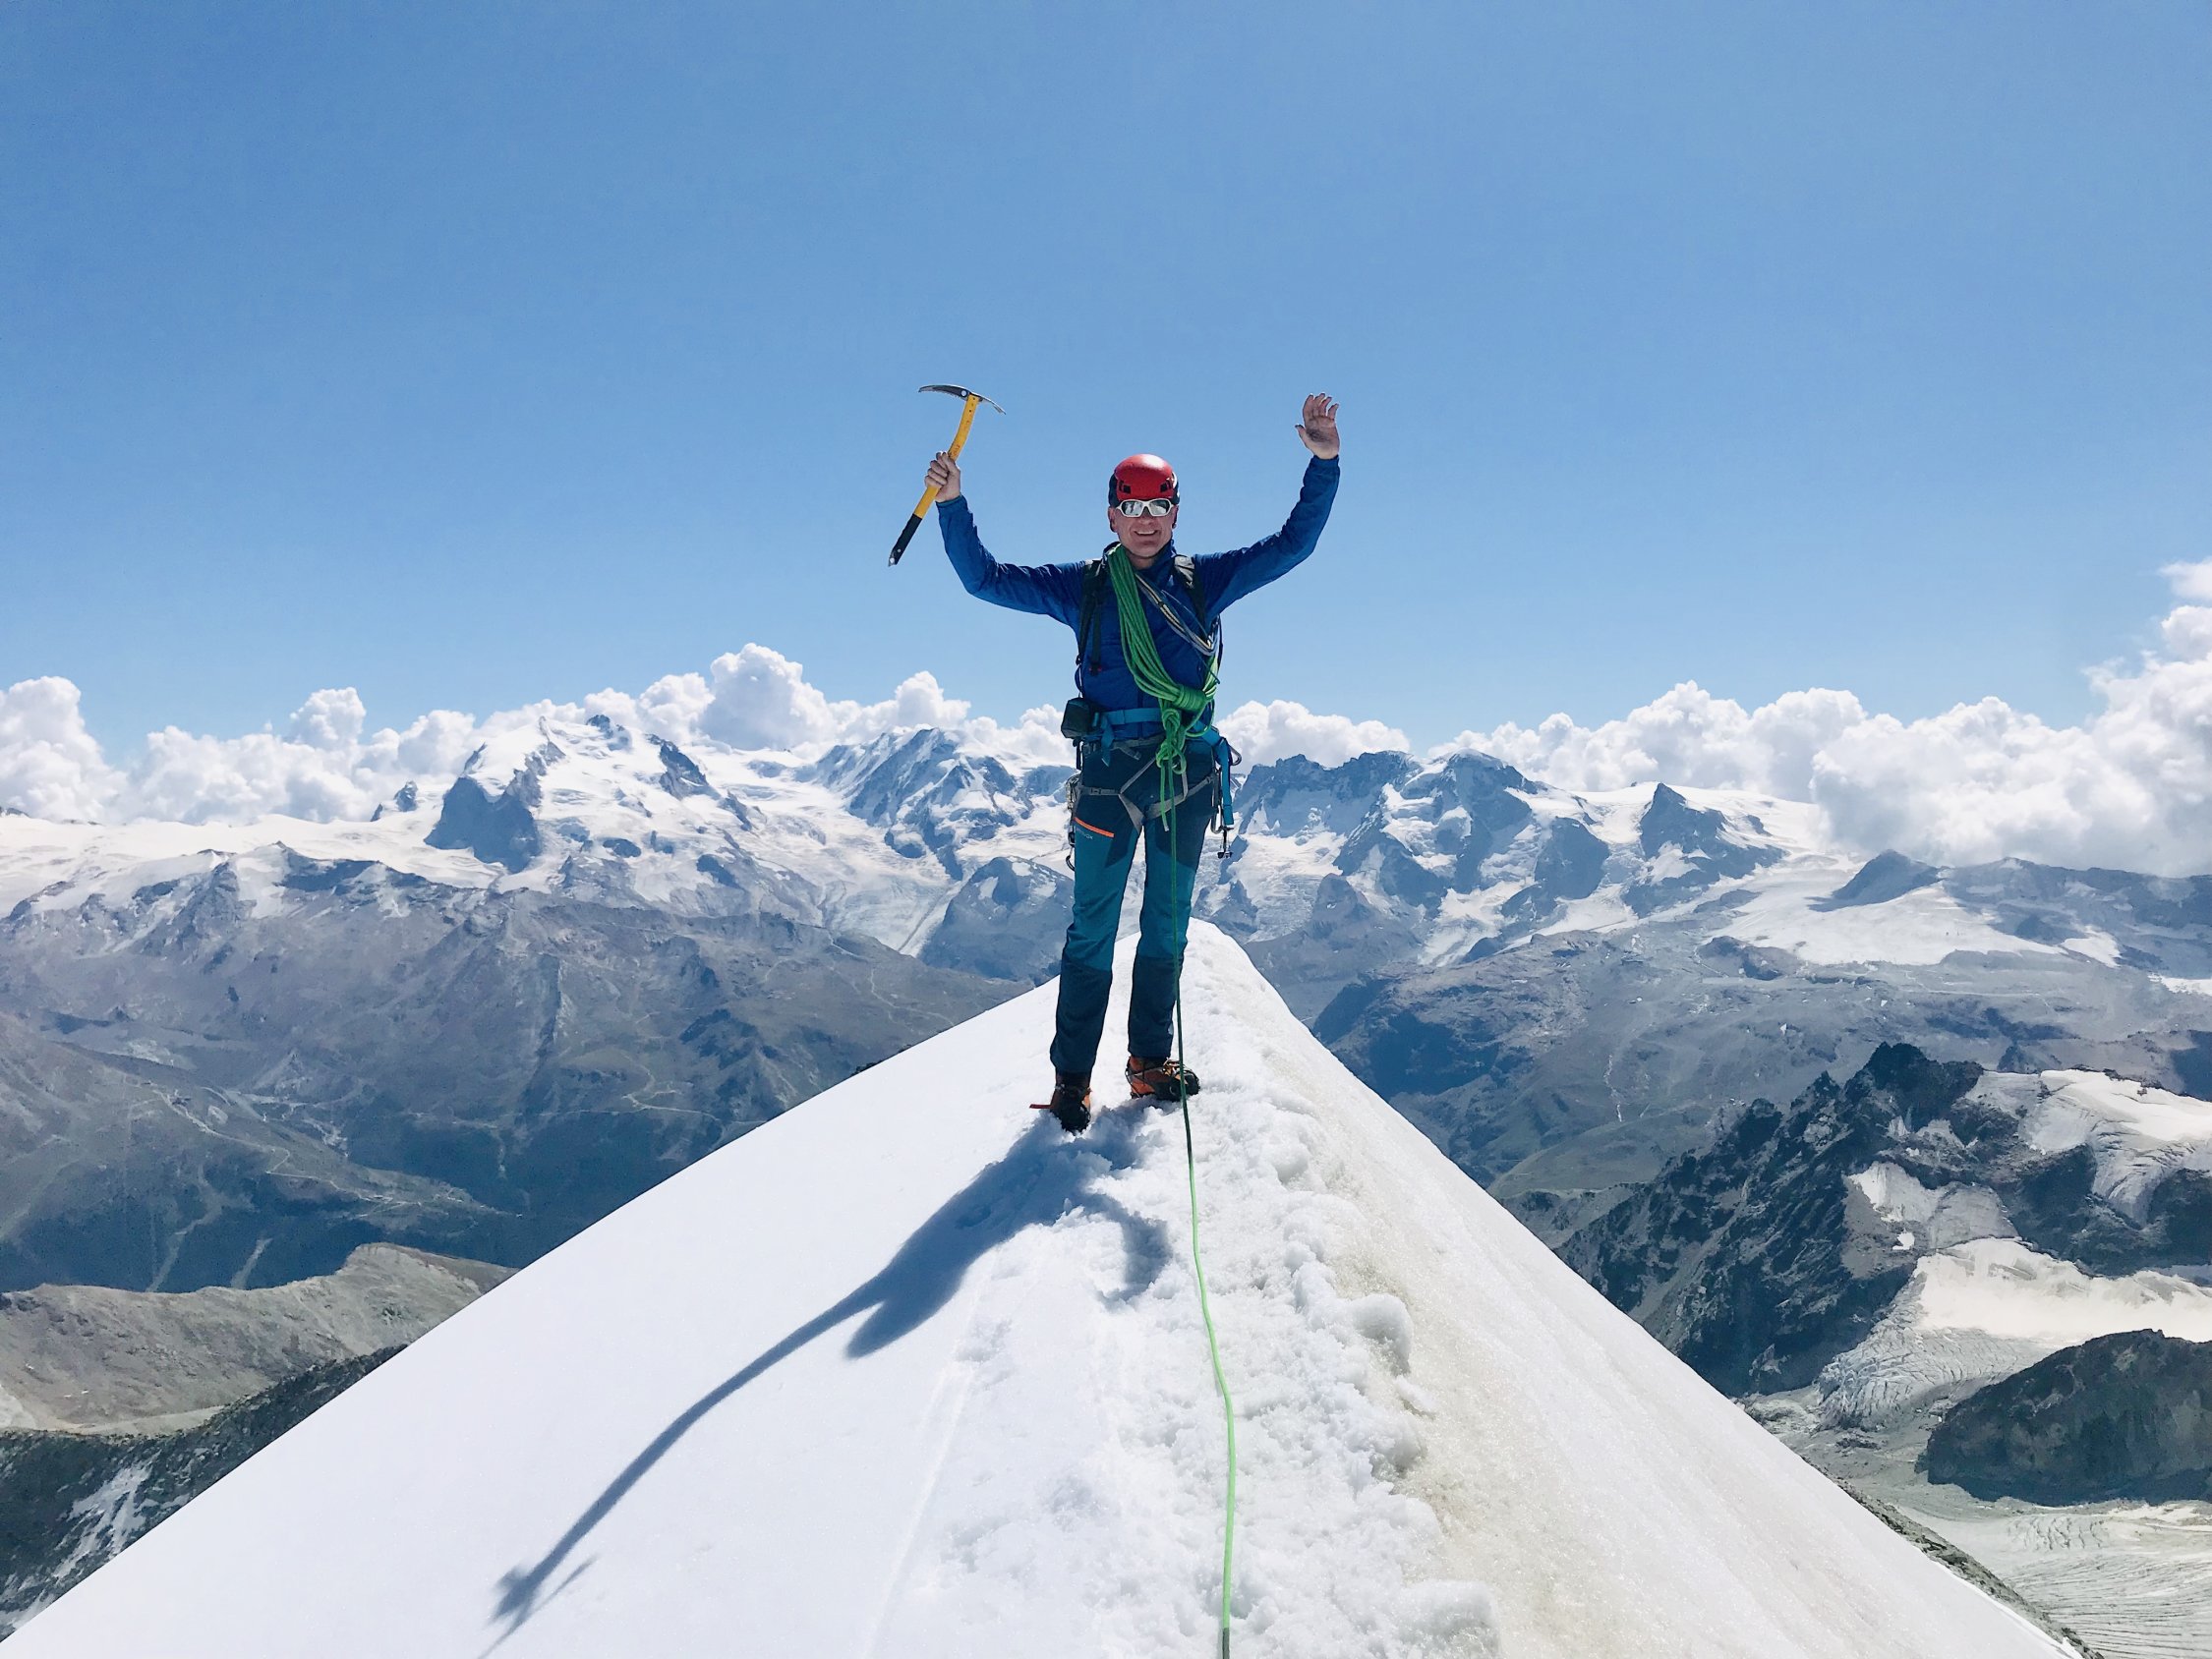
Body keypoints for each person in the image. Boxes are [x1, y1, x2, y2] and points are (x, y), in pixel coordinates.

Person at [927, 394, 1342, 1133]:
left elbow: (1292, 545)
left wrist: (1324, 463)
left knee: (1168, 925)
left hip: (1181, 772)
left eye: (1158, 506)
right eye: (1131, 506)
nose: (1145, 519)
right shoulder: (1084, 587)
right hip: (1115, 774)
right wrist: (953, 504)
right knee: (1092, 928)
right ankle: (1072, 1078)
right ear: (1111, 515)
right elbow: (984, 579)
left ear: (1175, 513)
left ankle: (1148, 1061)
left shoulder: (1204, 581)